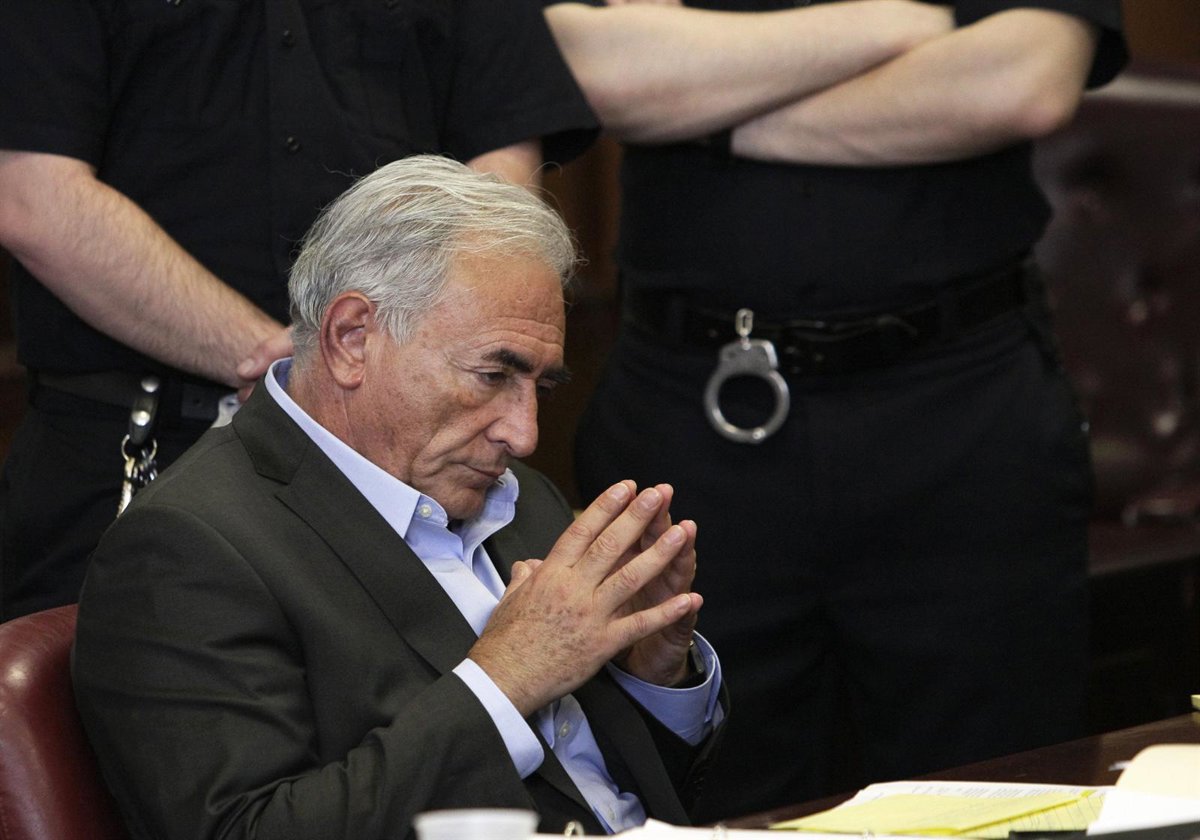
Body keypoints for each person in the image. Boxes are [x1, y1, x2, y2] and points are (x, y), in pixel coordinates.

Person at [543, 0, 1128, 821]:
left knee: (991, 795)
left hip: (958, 412)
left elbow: (1019, 82)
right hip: (693, 417)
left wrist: (708, 114)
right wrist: (913, 19)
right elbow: (599, 68)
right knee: (705, 796)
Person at [71, 155, 726, 840]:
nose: (525, 434)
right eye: (493, 375)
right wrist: (507, 677)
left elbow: (612, 795)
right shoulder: (188, 548)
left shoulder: (517, 497)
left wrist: (652, 673)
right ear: (353, 339)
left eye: (541, 387)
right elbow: (248, 831)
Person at [0, 0, 597, 621]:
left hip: (407, 461)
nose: (526, 433)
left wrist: (363, 358)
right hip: (125, 440)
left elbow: (498, 192)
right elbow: (33, 193)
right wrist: (302, 365)